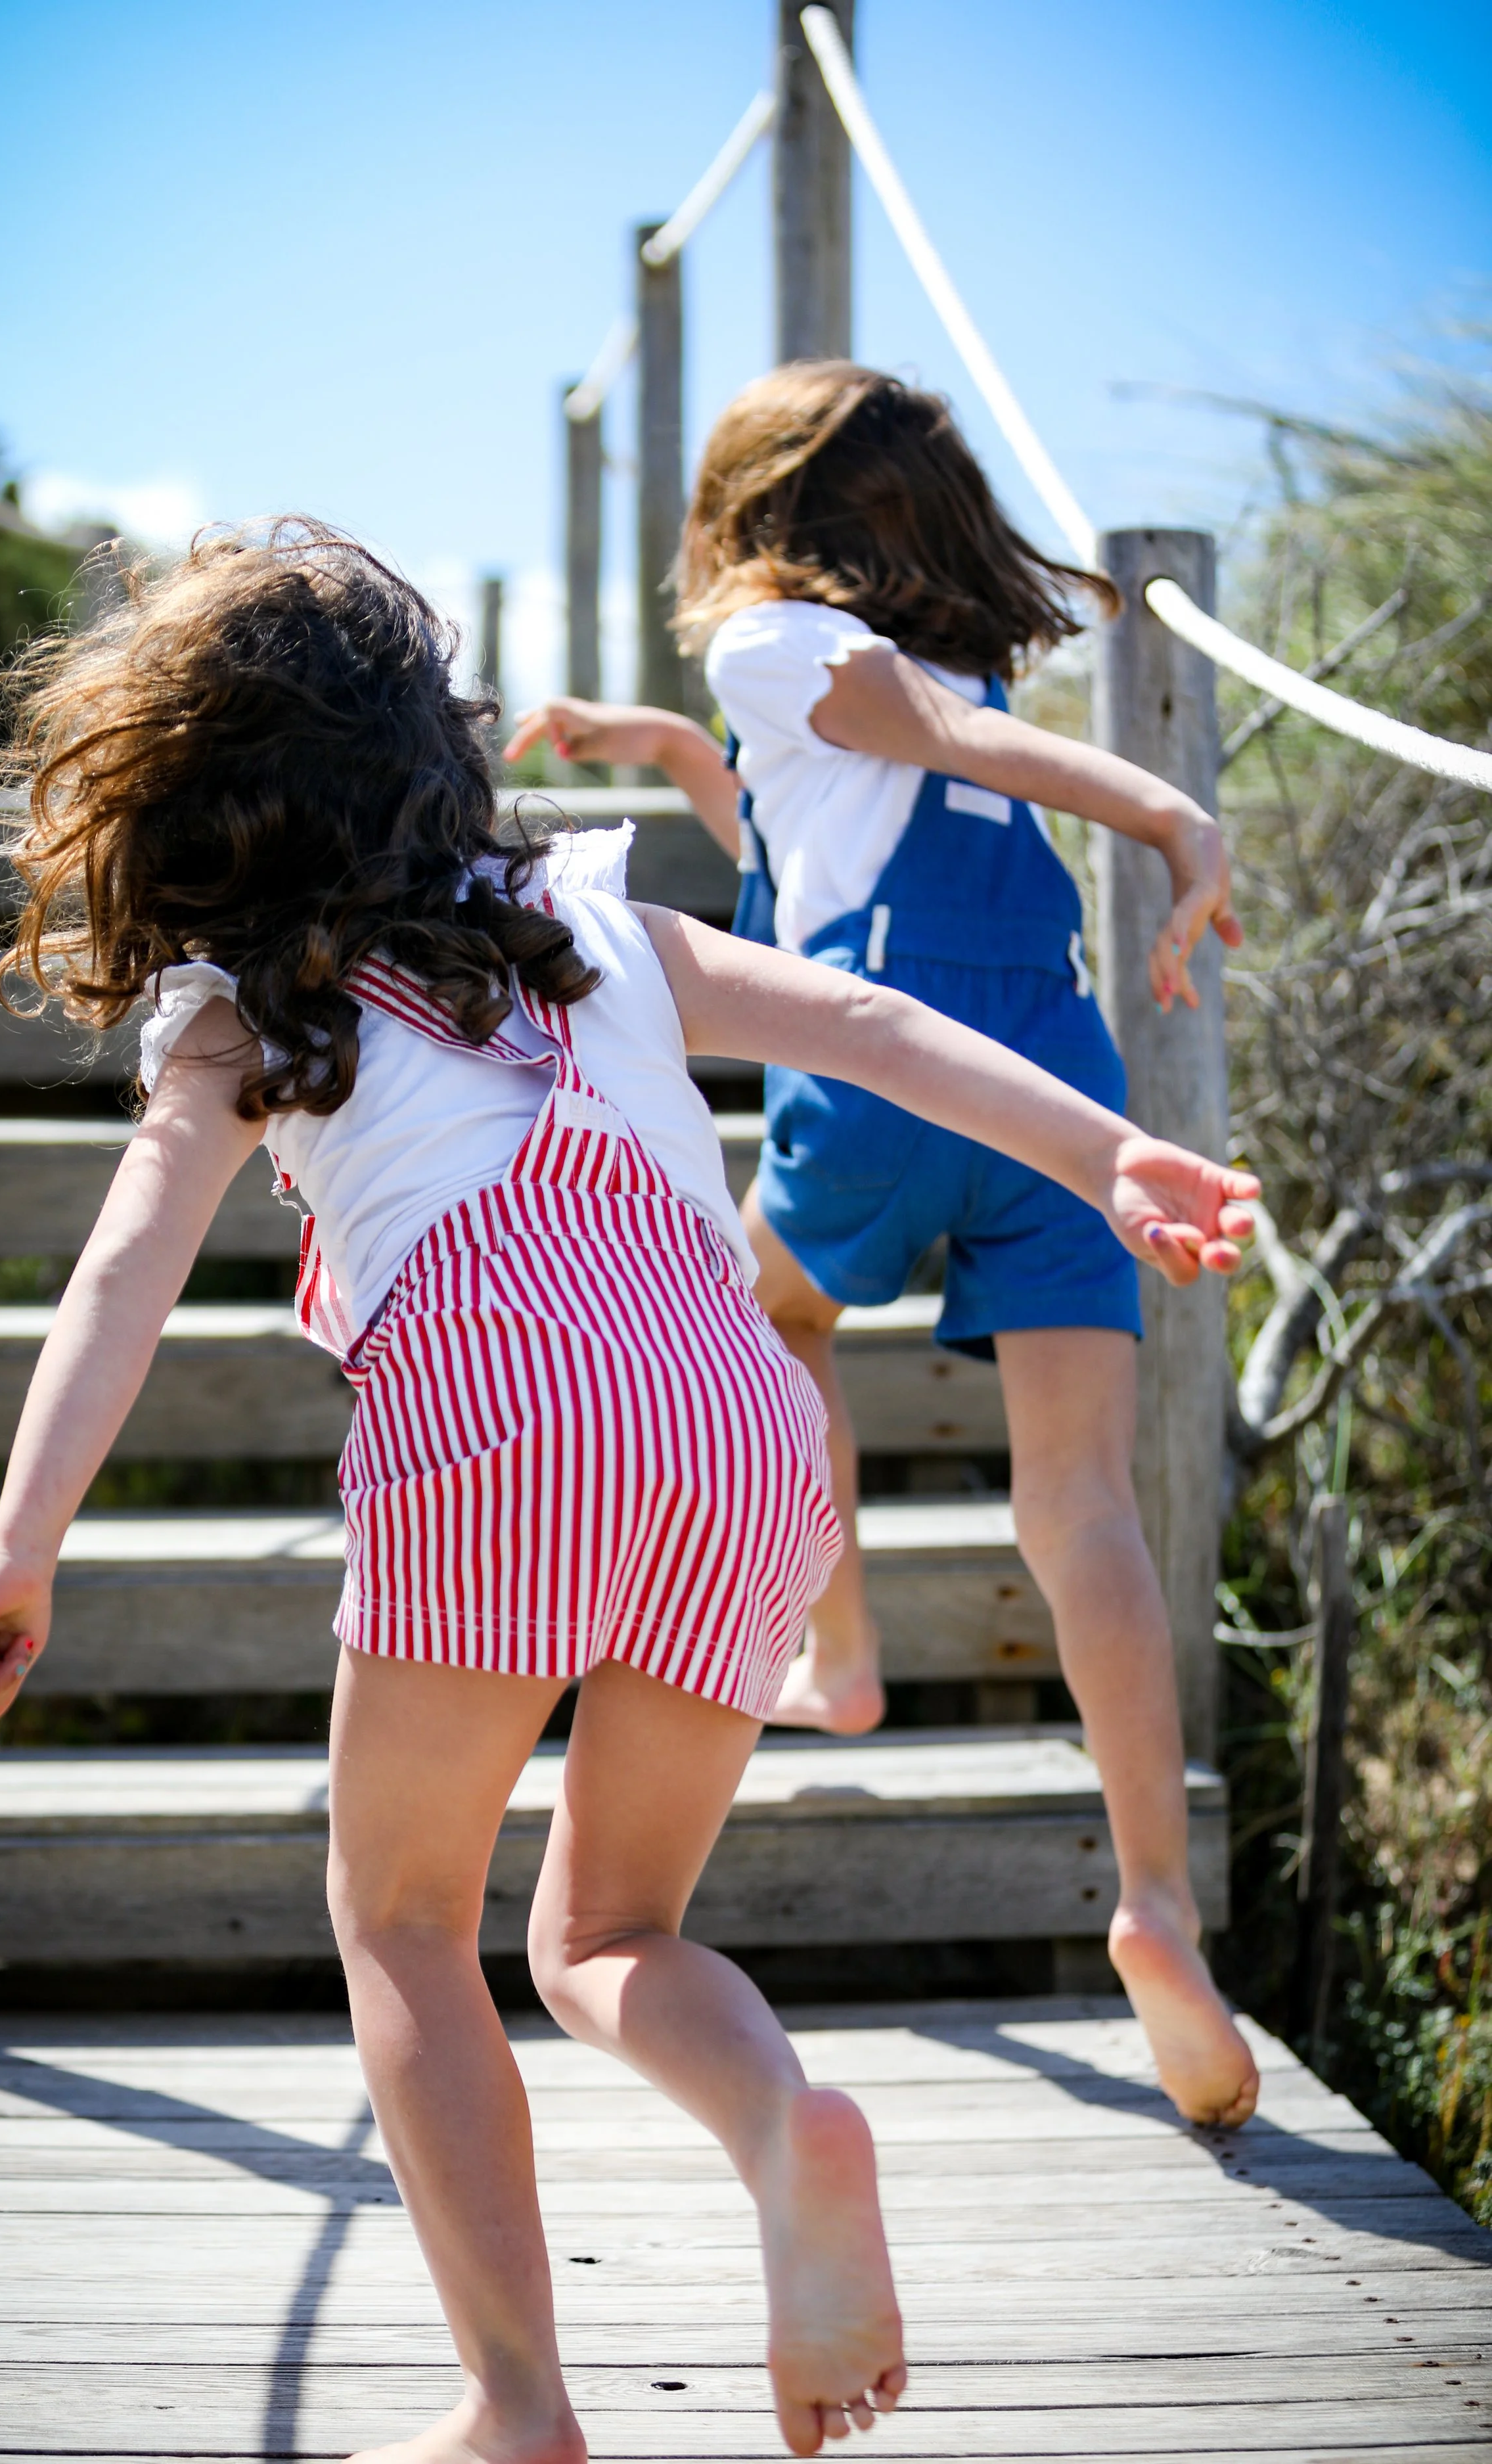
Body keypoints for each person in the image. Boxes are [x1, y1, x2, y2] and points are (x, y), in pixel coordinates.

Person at [0, 522, 1259, 2464]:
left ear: (186, 798)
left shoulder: (241, 1008)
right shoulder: (595, 925)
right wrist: (1110, 1151)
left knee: (402, 1920)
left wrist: (23, 1536)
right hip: (737, 1419)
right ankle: (780, 2120)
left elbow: (127, 1265)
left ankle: (517, 2404)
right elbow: (871, 1027)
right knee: (611, 1930)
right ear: (434, 755)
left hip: (493, 1401)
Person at [505, 361, 1260, 2133]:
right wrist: (663, 745)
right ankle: (1154, 1894)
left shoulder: (788, 641)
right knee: (1079, 1503)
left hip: (892, 1061)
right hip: (1056, 1072)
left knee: (773, 1318)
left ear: (759, 516)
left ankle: (832, 1648)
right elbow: (788, 835)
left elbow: (905, 746)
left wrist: (1163, 808)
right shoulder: (930, 673)